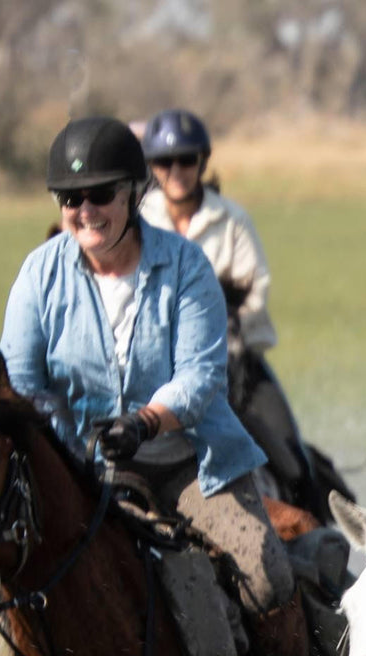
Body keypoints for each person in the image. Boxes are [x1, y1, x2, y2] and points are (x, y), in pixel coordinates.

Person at [0, 115, 314, 656]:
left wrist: (145, 423)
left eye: (98, 195)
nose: (84, 212)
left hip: (191, 459)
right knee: (11, 604)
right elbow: (26, 383)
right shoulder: (40, 273)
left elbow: (201, 377)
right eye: (70, 199)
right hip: (85, 467)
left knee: (265, 572)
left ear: (133, 192)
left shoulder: (185, 267)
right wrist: (69, 453)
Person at [138, 108, 315, 502]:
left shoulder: (233, 220)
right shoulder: (138, 222)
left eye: (187, 159)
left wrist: (218, 340)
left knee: (293, 460)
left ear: (202, 161)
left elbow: (255, 292)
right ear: (153, 166)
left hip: (237, 364)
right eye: (165, 161)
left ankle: (323, 538)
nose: (177, 170)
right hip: (156, 365)